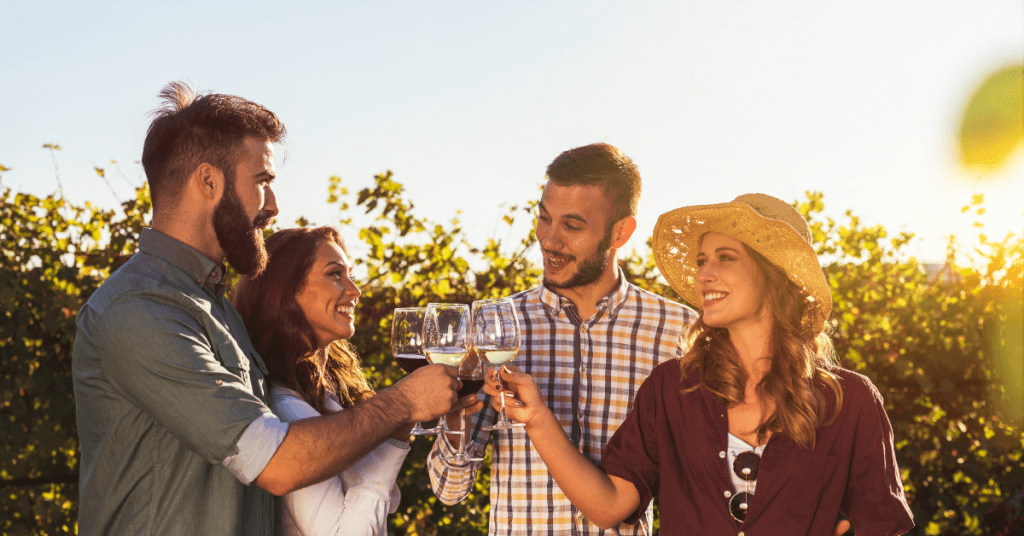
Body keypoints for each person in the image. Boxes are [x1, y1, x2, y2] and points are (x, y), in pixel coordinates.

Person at [72, 82, 472, 536]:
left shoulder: (212, 305)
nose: (274, 206)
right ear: (208, 182)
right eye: (262, 182)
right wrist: (402, 403)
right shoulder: (140, 309)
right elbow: (276, 462)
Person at [490, 194, 916, 535]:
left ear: (773, 274)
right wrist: (538, 419)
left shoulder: (849, 401)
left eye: (724, 258)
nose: (702, 276)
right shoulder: (672, 389)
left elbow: (881, 522)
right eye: (701, 261)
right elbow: (609, 507)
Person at [427, 143, 698, 535]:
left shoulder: (676, 331)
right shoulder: (495, 324)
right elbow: (449, 489)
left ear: (621, 232)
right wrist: (456, 413)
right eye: (543, 218)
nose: (550, 240)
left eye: (572, 226)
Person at [233, 226, 450, 535]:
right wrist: (403, 406)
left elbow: (381, 502)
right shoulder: (285, 410)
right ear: (284, 291)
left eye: (351, 275)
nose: (354, 290)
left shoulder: (326, 393)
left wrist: (402, 420)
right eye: (335, 274)